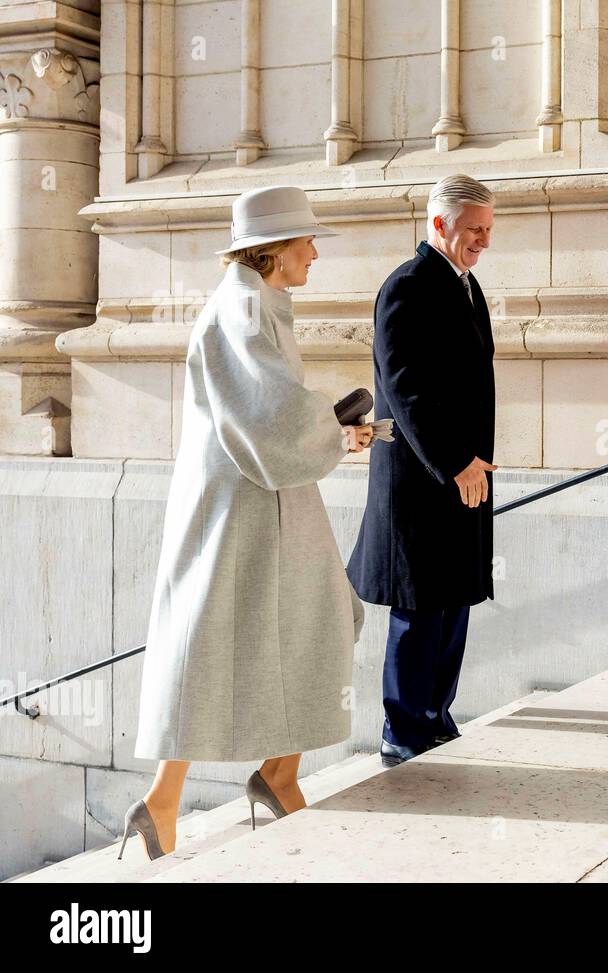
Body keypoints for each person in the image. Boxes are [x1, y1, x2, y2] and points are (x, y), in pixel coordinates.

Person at [124, 186, 374, 860]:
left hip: (267, 498)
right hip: (240, 508)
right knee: (215, 638)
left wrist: (333, 431)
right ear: (273, 249)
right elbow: (268, 415)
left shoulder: (256, 302)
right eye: (306, 242)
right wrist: (332, 425)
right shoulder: (238, 306)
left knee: (310, 619)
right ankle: (180, 798)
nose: (315, 253)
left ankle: (260, 777)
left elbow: (276, 412)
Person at [347, 175, 497, 767]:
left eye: (489, 230)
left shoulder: (468, 286)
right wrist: (456, 461)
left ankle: (436, 714)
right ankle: (402, 728)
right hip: (421, 481)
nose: (484, 241)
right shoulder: (406, 288)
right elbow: (405, 391)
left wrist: (476, 462)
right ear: (439, 225)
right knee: (419, 607)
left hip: (465, 474)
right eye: (474, 230)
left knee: (453, 600)